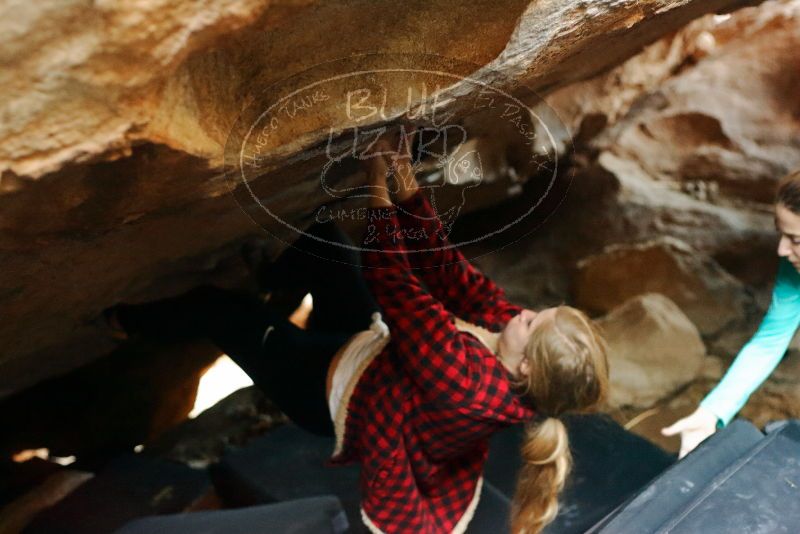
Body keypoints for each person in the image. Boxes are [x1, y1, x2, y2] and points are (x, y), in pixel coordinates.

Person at [107, 128, 609, 534]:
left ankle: (120, 322)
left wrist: (376, 178)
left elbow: (392, 278)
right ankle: (270, 285)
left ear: (524, 368)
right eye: (537, 311)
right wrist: (403, 171)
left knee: (215, 308)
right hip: (373, 353)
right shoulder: (509, 338)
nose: (524, 313)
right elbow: (445, 270)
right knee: (325, 242)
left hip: (326, 390)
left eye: (532, 322)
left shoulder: (464, 384)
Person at [662, 169, 800, 459]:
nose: (781, 249)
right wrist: (712, 411)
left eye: (795, 239)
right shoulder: (793, 267)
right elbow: (769, 341)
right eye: (780, 233)